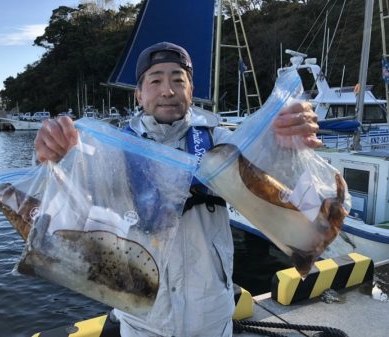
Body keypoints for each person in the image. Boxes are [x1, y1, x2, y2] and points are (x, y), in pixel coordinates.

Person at [34, 42, 321, 337]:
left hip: (211, 317)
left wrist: (287, 144)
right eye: (155, 80)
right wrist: (53, 154)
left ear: (190, 89)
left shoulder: (220, 142)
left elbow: (281, 182)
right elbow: (65, 191)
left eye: (177, 80)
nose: (167, 91)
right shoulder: (113, 150)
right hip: (141, 318)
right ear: (139, 93)